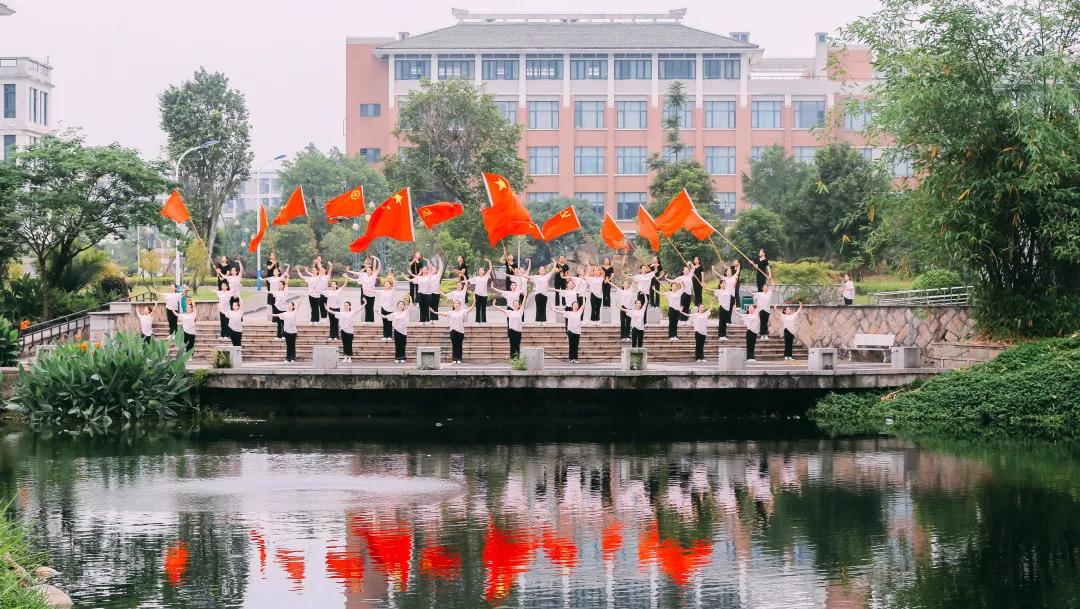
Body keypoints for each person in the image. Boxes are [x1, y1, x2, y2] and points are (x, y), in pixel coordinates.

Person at [431, 299, 474, 364]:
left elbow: (470, 309)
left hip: (460, 331)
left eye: (457, 303)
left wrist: (474, 302)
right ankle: (454, 359)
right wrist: (434, 312)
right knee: (454, 346)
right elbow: (442, 314)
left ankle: (459, 359)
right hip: (453, 331)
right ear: (453, 305)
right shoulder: (451, 312)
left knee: (459, 346)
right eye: (455, 303)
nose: (456, 304)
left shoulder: (463, 312)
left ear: (459, 305)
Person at [712, 266, 737, 341]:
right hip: (722, 307)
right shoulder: (719, 291)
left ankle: (724, 335)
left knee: (724, 323)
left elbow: (733, 284)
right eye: (723, 283)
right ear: (720, 284)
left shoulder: (728, 291)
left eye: (725, 283)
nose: (724, 284)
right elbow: (713, 293)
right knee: (721, 322)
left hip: (727, 307)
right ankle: (720, 335)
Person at [376, 275, 397, 342]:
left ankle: (390, 336)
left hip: (390, 309)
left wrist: (392, 278)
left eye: (388, 284)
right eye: (385, 284)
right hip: (383, 308)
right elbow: (374, 291)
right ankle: (385, 336)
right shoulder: (382, 292)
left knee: (389, 323)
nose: (386, 285)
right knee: (385, 322)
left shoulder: (392, 291)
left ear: (390, 285)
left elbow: (395, 284)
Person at [425, 259, 445, 324]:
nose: (433, 270)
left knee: (435, 306)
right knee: (430, 306)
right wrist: (428, 262)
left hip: (437, 293)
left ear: (436, 270)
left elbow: (441, 268)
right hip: (430, 293)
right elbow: (429, 267)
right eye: (432, 269)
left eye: (434, 269)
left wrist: (439, 259)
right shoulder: (429, 276)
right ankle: (431, 319)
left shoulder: (438, 275)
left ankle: (435, 319)